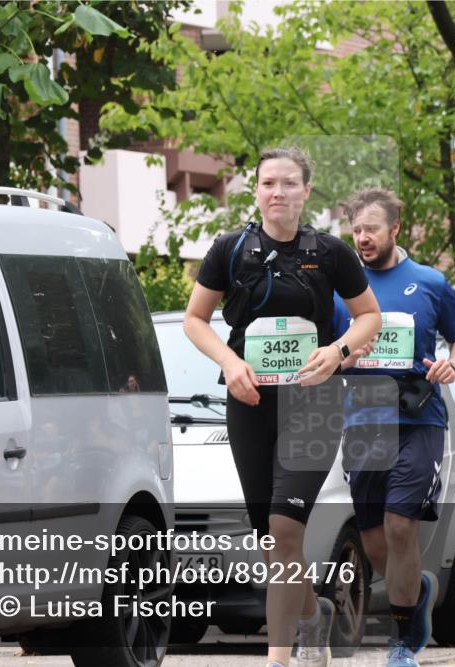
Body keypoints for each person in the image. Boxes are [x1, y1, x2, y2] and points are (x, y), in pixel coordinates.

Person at [183, 148, 382, 667]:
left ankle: (277, 659)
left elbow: (369, 316)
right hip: (250, 403)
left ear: (305, 191)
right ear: (256, 190)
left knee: (285, 529)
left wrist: (337, 350)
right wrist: (229, 362)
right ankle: (312, 614)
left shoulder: (331, 252)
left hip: (313, 402)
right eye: (268, 182)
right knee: (270, 540)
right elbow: (195, 320)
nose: (278, 192)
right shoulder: (229, 250)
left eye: (289, 183)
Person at [334, 188, 455, 667]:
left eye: (371, 229)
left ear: (395, 228)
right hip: (362, 421)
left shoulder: (430, 282)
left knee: (400, 527)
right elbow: (326, 348)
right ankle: (417, 595)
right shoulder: (342, 289)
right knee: (375, 543)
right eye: (356, 230)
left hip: (418, 420)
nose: (362, 237)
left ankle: (400, 644)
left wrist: (454, 366)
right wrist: (341, 356)